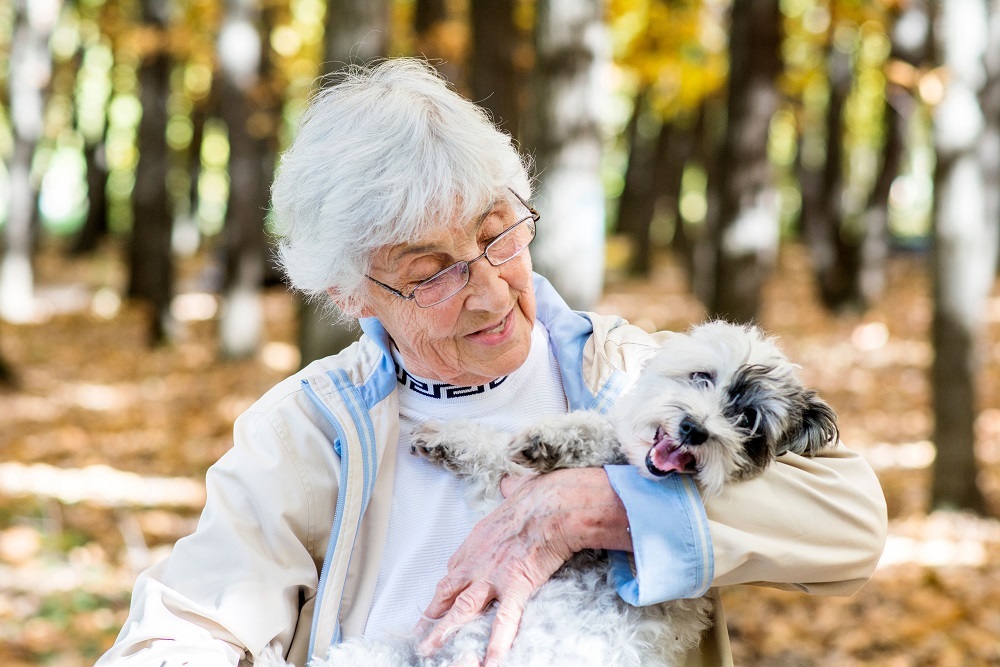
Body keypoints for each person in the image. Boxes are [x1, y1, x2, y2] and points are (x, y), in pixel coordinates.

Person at [97, 58, 887, 667]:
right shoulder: (306, 428)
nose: (486, 291)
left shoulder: (637, 372)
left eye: (497, 234)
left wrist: (599, 501)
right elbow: (189, 623)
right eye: (430, 270)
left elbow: (851, 521)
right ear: (352, 294)